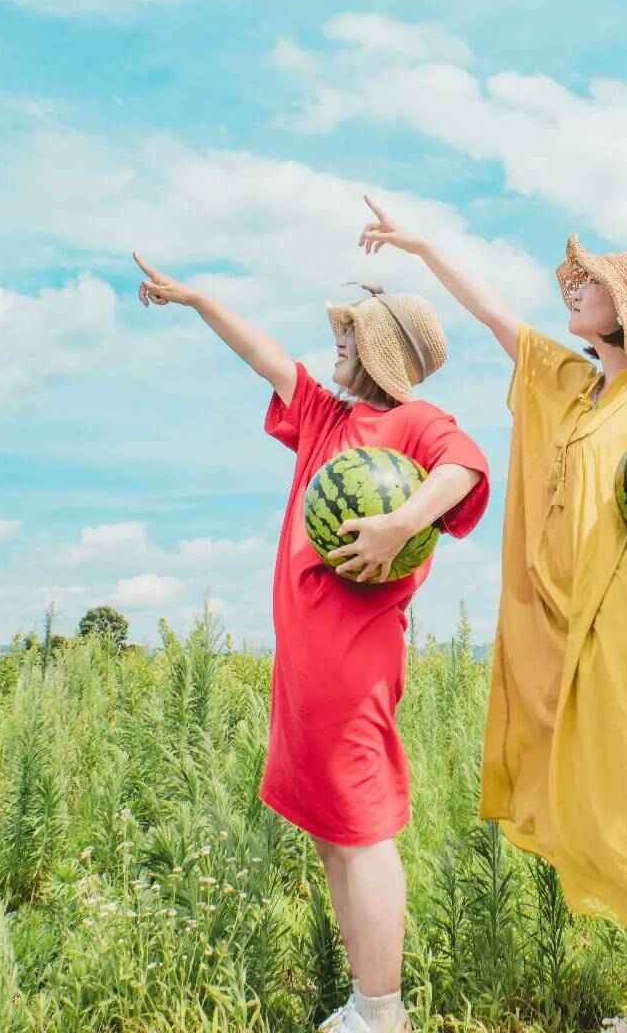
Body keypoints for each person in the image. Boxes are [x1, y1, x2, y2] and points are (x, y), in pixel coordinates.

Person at [355, 196, 627, 1031]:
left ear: (626, 310)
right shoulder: (572, 385)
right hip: (572, 632)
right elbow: (492, 314)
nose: (575, 290)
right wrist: (423, 247)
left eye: (593, 284)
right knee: (622, 811)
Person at [132, 253, 490, 1033]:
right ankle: (368, 1002)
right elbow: (264, 353)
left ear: (383, 351)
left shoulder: (413, 423)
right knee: (335, 833)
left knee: (360, 833)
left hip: (350, 662)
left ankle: (383, 1013)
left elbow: (466, 465)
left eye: (353, 334)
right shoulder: (329, 418)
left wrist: (402, 522)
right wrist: (197, 299)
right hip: (305, 664)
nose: (338, 343)